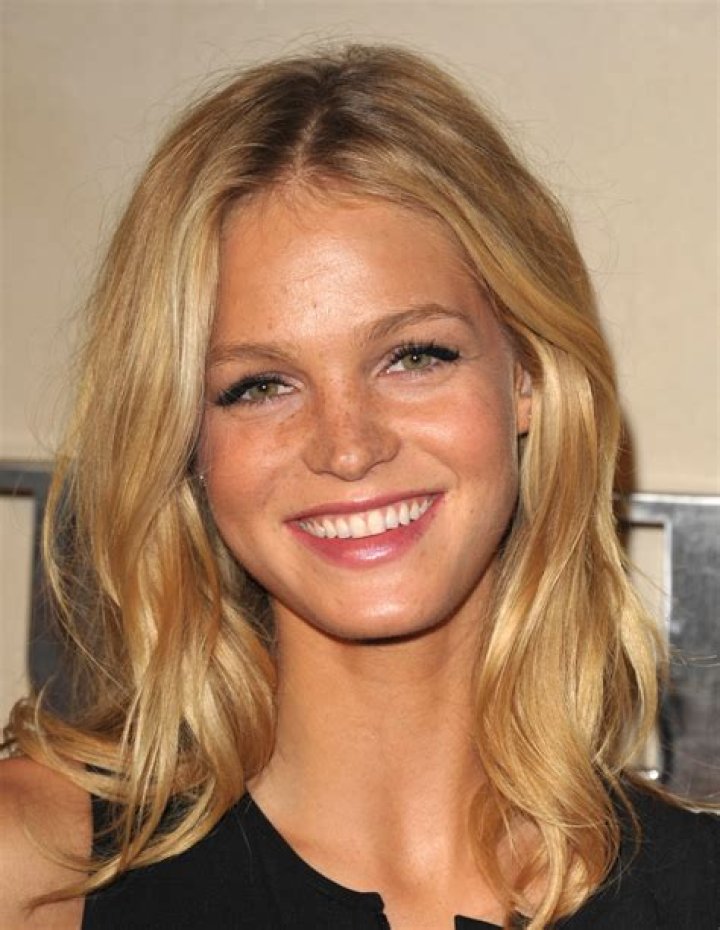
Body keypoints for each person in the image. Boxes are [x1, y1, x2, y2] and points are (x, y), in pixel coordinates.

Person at [0, 44, 717, 930]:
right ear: (184, 436)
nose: (347, 448)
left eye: (414, 356)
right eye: (260, 386)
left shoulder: (697, 891)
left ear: (527, 375)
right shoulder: (39, 871)